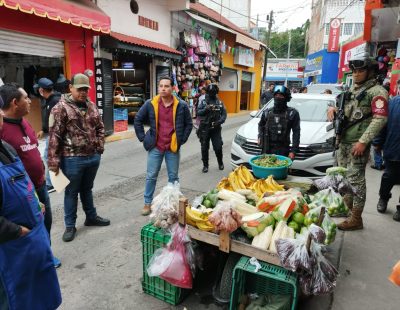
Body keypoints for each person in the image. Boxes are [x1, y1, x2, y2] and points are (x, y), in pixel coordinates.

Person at [0, 95, 62, 310]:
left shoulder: (4, 147)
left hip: (31, 230)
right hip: (11, 245)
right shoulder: (5, 133)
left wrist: (34, 199)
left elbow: (20, 173)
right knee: (14, 297)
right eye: (25, 97)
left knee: (38, 292)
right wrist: (16, 231)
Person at [327, 52, 388, 230]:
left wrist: (363, 141)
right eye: (353, 70)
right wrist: (332, 109)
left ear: (370, 71)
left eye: (360, 70)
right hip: (343, 142)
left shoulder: (377, 92)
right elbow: (346, 112)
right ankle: (346, 208)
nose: (355, 74)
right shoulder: (353, 90)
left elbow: (380, 119)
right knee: (344, 178)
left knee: (356, 181)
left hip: (357, 144)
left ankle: (356, 218)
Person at [48, 73, 110, 242]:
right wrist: (53, 162)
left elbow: (100, 127)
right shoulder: (60, 108)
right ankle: (70, 226)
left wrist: (100, 146)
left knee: (87, 189)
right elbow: (54, 136)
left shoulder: (91, 106)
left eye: (85, 89)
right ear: (71, 88)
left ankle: (91, 217)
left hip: (92, 157)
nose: (83, 92)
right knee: (71, 192)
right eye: (80, 89)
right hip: (72, 159)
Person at [134, 76, 192, 216]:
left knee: (173, 177)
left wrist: (181, 140)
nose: (163, 88)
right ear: (158, 88)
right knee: (151, 176)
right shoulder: (151, 103)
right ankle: (147, 204)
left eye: (166, 86)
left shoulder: (181, 105)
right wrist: (143, 138)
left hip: (172, 147)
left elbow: (189, 124)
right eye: (161, 86)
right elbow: (138, 119)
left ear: (173, 88)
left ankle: (172, 204)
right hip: (156, 146)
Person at [373, 95, 400, 221]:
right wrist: (377, 142)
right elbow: (382, 124)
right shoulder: (392, 103)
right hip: (394, 147)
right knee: (388, 177)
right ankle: (383, 198)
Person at [258, 85, 300, 160]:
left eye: (281, 96)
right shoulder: (267, 112)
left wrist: (293, 151)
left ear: (286, 98)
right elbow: (261, 125)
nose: (278, 97)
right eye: (276, 95)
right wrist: (260, 136)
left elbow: (296, 133)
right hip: (267, 149)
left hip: (283, 150)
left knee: (280, 171)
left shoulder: (292, 113)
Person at [36, 78, 62, 192]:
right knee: (52, 156)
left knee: (49, 156)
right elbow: (48, 118)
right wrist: (43, 129)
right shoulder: (50, 99)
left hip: (54, 134)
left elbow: (57, 120)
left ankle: (52, 183)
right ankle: (56, 180)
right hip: (51, 133)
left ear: (41, 90)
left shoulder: (54, 101)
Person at [197, 83, 227, 173]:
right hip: (204, 128)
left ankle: (220, 162)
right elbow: (198, 112)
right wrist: (206, 109)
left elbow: (224, 115)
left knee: (218, 147)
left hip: (216, 129)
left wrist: (219, 121)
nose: (212, 94)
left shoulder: (220, 102)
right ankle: (205, 165)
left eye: (213, 92)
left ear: (216, 92)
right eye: (210, 92)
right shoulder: (203, 101)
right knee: (204, 147)